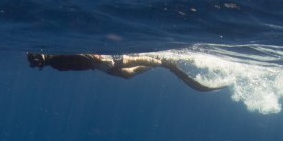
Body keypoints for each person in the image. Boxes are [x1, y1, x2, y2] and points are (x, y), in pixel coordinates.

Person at [27, 52, 225, 92]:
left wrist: (96, 58)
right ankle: (160, 63)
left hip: (101, 60)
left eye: (38, 61)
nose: (40, 65)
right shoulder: (55, 64)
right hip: (98, 65)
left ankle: (163, 62)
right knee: (128, 75)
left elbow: (79, 56)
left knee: (130, 64)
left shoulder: (57, 55)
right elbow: (78, 63)